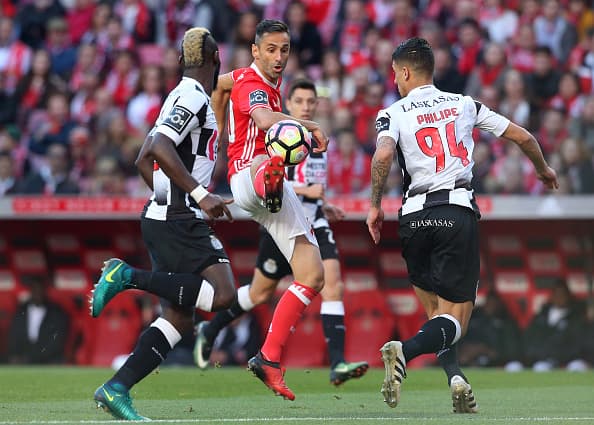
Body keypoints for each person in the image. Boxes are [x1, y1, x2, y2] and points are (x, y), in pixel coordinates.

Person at [366, 37, 559, 413]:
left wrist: (375, 206)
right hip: (455, 212)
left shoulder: (392, 111)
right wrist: (543, 169)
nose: (394, 82)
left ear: (405, 72)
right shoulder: (464, 103)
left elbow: (384, 155)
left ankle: (457, 380)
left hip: (414, 217)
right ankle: (403, 351)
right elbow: (523, 136)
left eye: (395, 74)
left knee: (437, 315)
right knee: (457, 320)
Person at [90, 27, 237, 421]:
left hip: (168, 213)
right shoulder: (191, 96)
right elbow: (156, 148)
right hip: (179, 217)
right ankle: (126, 275)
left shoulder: (181, 95)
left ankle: (115, 387)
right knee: (223, 295)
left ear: (180, 61)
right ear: (217, 59)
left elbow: (142, 158)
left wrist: (168, 196)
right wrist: (197, 194)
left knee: (177, 317)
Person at [195, 79, 368, 385]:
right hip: (281, 220)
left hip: (314, 220)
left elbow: (311, 186)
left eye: (311, 102)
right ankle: (212, 327)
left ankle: (337, 363)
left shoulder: (319, 142)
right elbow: (272, 180)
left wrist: (321, 202)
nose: (306, 106)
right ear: (288, 105)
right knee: (260, 292)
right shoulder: (280, 136)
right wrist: (308, 191)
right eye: (299, 101)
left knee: (333, 286)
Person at [208, 20, 329, 401]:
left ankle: (269, 357)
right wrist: (306, 124)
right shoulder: (254, 84)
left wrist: (217, 120)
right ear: (255, 51)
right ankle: (272, 177)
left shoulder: (242, 77)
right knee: (276, 147)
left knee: (313, 275)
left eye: (285, 50)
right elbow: (261, 120)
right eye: (271, 50)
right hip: (248, 175)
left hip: (254, 188)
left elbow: (221, 83)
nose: (279, 57)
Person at [7, 277, 69, 364]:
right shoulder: (21, 311)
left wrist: (37, 356)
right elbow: (14, 335)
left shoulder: (56, 312)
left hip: (48, 356)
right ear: (30, 291)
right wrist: (16, 354)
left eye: (40, 290)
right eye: (35, 290)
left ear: (45, 291)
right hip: (25, 354)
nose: (37, 293)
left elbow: (57, 340)